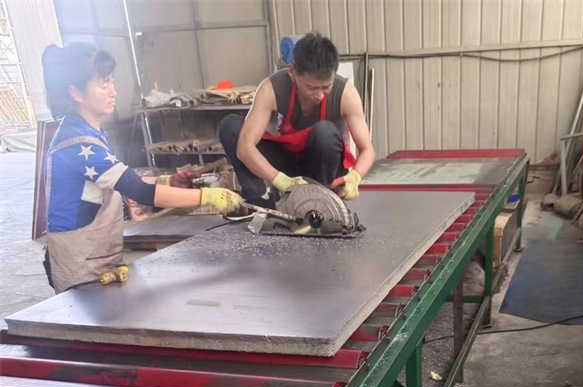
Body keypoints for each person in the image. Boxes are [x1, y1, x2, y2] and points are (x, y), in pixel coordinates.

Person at [41, 43, 244, 293]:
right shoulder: (77, 144)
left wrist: (169, 182)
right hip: (79, 262)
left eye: (112, 81)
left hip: (96, 255)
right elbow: (138, 190)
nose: (113, 92)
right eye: (103, 85)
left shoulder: (89, 131)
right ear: (76, 92)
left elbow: (119, 181)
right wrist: (209, 196)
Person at [219, 32, 375, 209]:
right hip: (287, 167)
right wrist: (281, 181)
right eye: (312, 88)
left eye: (326, 87)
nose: (319, 95)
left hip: (323, 166)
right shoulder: (272, 88)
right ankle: (260, 200)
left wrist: (355, 176)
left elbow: (367, 149)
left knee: (325, 132)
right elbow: (245, 147)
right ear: (293, 72)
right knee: (231, 127)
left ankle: (322, 203)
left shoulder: (346, 94)